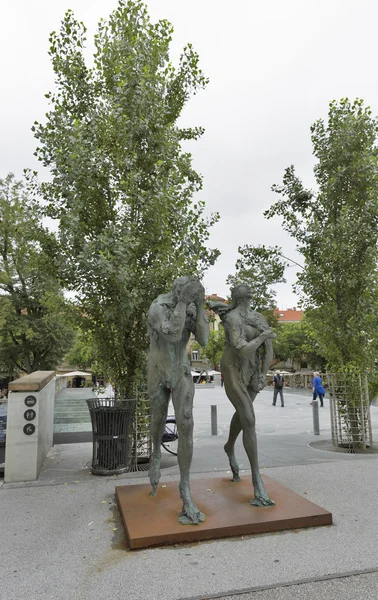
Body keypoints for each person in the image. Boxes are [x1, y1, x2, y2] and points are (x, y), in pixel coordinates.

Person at [147, 276, 209, 525]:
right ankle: (155, 454)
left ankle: (185, 487)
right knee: (158, 420)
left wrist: (201, 305)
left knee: (186, 424)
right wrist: (184, 301)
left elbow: (203, 340)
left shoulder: (192, 308)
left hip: (181, 370)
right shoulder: (158, 307)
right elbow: (172, 335)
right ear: (177, 290)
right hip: (158, 369)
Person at [209, 284, 276, 507]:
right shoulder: (232, 319)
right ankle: (257, 482)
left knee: (243, 413)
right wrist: (262, 337)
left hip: (252, 371)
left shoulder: (257, 317)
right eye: (244, 289)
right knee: (249, 417)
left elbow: (269, 348)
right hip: (232, 368)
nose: (249, 291)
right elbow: (240, 348)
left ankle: (229, 446)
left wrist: (263, 374)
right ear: (237, 296)